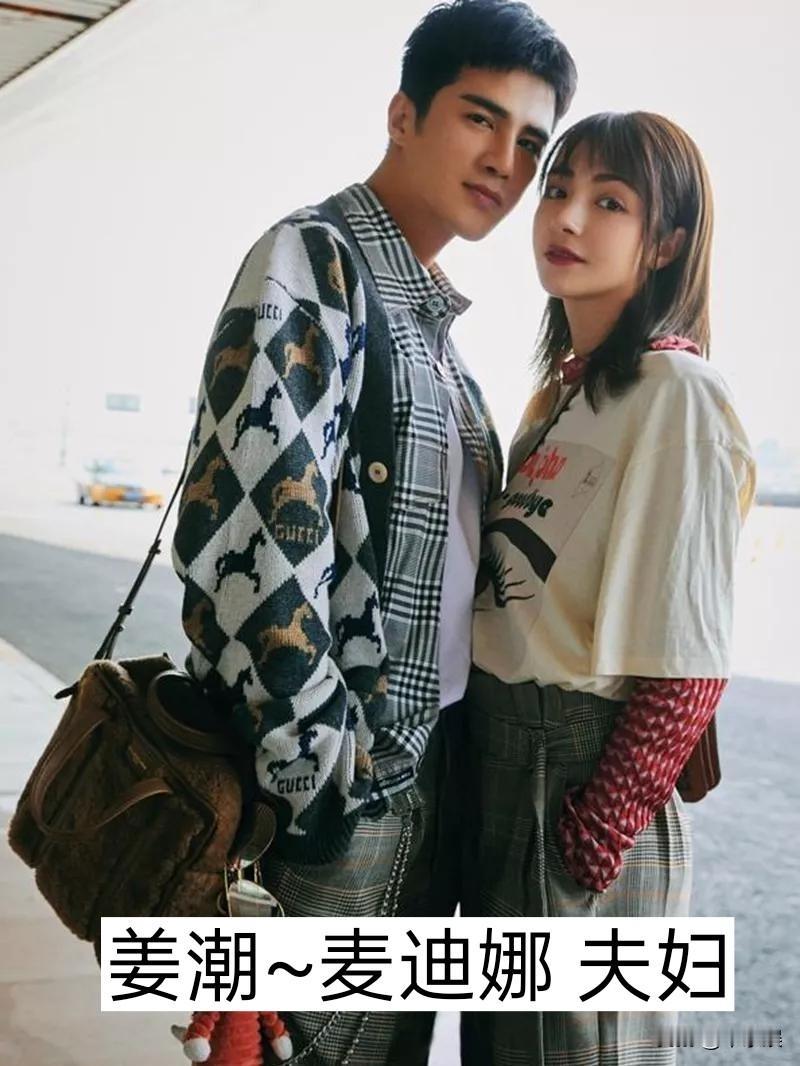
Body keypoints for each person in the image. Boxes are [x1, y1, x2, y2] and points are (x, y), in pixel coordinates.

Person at [171, 2, 576, 1062]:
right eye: (478, 118)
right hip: (338, 796)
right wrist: (321, 785)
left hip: (418, 778)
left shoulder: (432, 326)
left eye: (529, 142)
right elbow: (252, 531)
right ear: (403, 115)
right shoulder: (314, 261)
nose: (505, 161)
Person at [463, 111, 756, 1065]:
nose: (568, 216)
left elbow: (690, 660)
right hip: (501, 765)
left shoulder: (679, 397)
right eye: (557, 189)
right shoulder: (561, 396)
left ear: (665, 242)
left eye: (610, 201)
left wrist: (600, 826)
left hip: (579, 777)